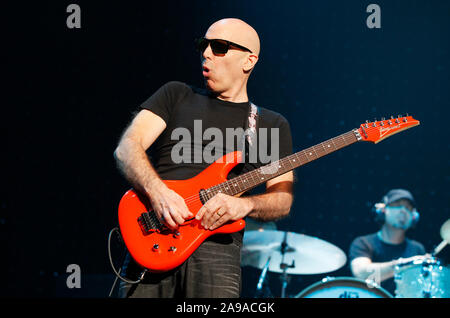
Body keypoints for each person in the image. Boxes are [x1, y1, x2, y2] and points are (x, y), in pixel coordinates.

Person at [113, 18, 294, 298]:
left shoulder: (269, 123)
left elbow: (282, 200)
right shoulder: (176, 94)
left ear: (249, 61)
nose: (206, 53)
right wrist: (159, 192)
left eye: (219, 47)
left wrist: (243, 206)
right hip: (153, 232)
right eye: (203, 45)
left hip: (217, 247)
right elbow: (127, 148)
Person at [349, 189, 428, 296]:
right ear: (382, 210)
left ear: (414, 217)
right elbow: (361, 273)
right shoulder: (363, 243)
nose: (403, 210)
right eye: (397, 204)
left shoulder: (418, 249)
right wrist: (406, 264)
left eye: (408, 208)